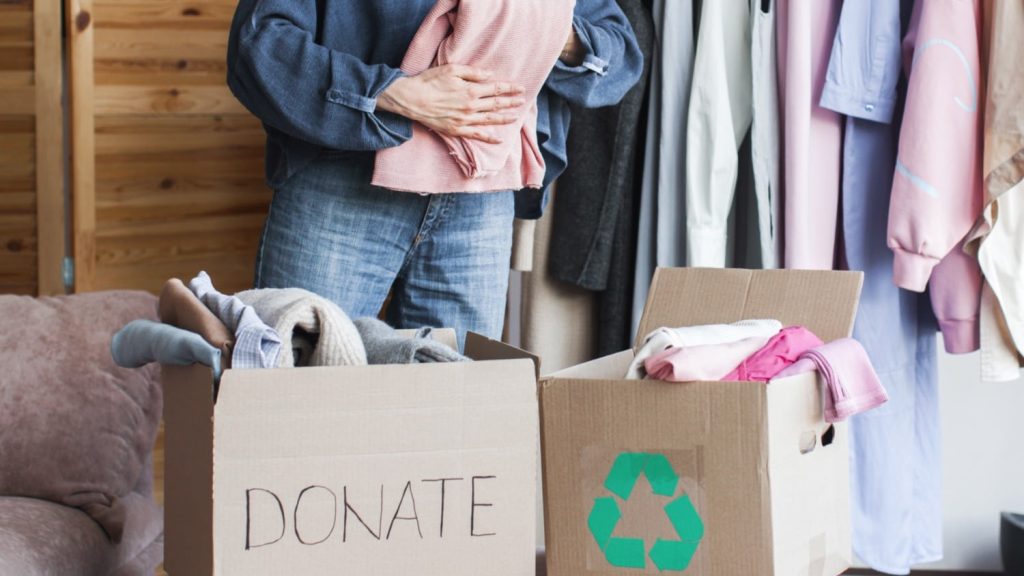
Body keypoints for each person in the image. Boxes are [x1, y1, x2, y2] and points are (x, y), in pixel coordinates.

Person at [227, 0, 643, 349]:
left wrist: (532, 21)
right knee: (299, 396)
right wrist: (392, 94)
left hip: (482, 200)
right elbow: (259, 43)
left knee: (455, 415)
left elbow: (619, 54)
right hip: (345, 182)